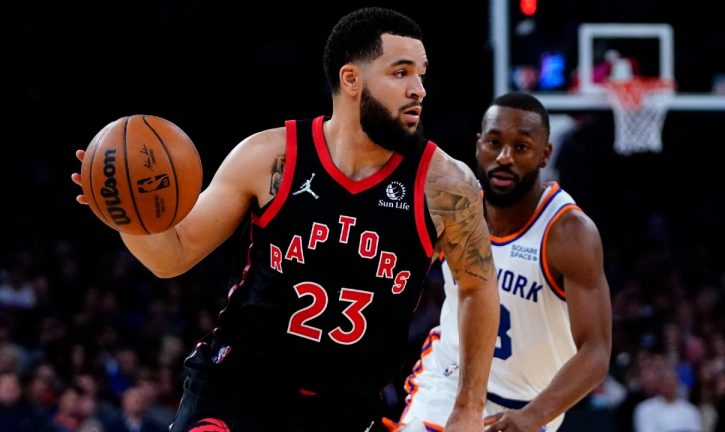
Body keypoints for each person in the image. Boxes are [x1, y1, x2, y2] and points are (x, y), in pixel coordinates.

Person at [71, 7, 499, 432]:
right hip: (237, 391)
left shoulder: (445, 185)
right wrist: (126, 212)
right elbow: (172, 256)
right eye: (401, 73)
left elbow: (478, 288)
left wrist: (468, 406)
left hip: (345, 409)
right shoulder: (269, 156)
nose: (419, 89)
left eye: (421, 74)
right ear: (351, 80)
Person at [396, 91, 612, 432]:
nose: (504, 157)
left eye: (521, 147)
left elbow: (596, 352)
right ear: (479, 145)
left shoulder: (569, 233)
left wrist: (533, 417)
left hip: (529, 406)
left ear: (545, 155)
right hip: (448, 381)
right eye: (494, 143)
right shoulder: (457, 208)